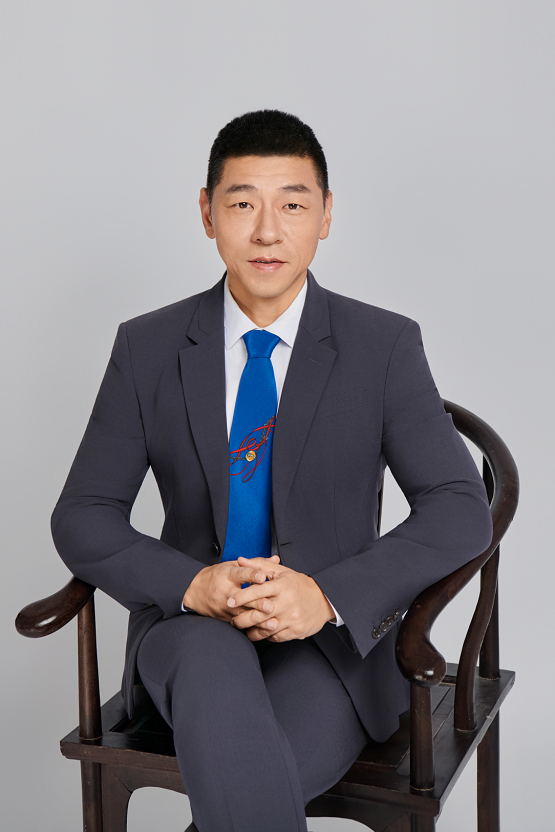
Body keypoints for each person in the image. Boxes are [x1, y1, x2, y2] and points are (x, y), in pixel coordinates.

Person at [51, 110, 493, 832]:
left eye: (291, 205)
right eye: (241, 204)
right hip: (189, 629)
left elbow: (457, 506)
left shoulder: (382, 344)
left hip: (330, 649)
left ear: (325, 216)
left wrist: (327, 595)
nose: (266, 231)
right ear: (207, 213)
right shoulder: (147, 347)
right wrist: (190, 584)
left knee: (251, 778)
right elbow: (83, 513)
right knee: (216, 685)